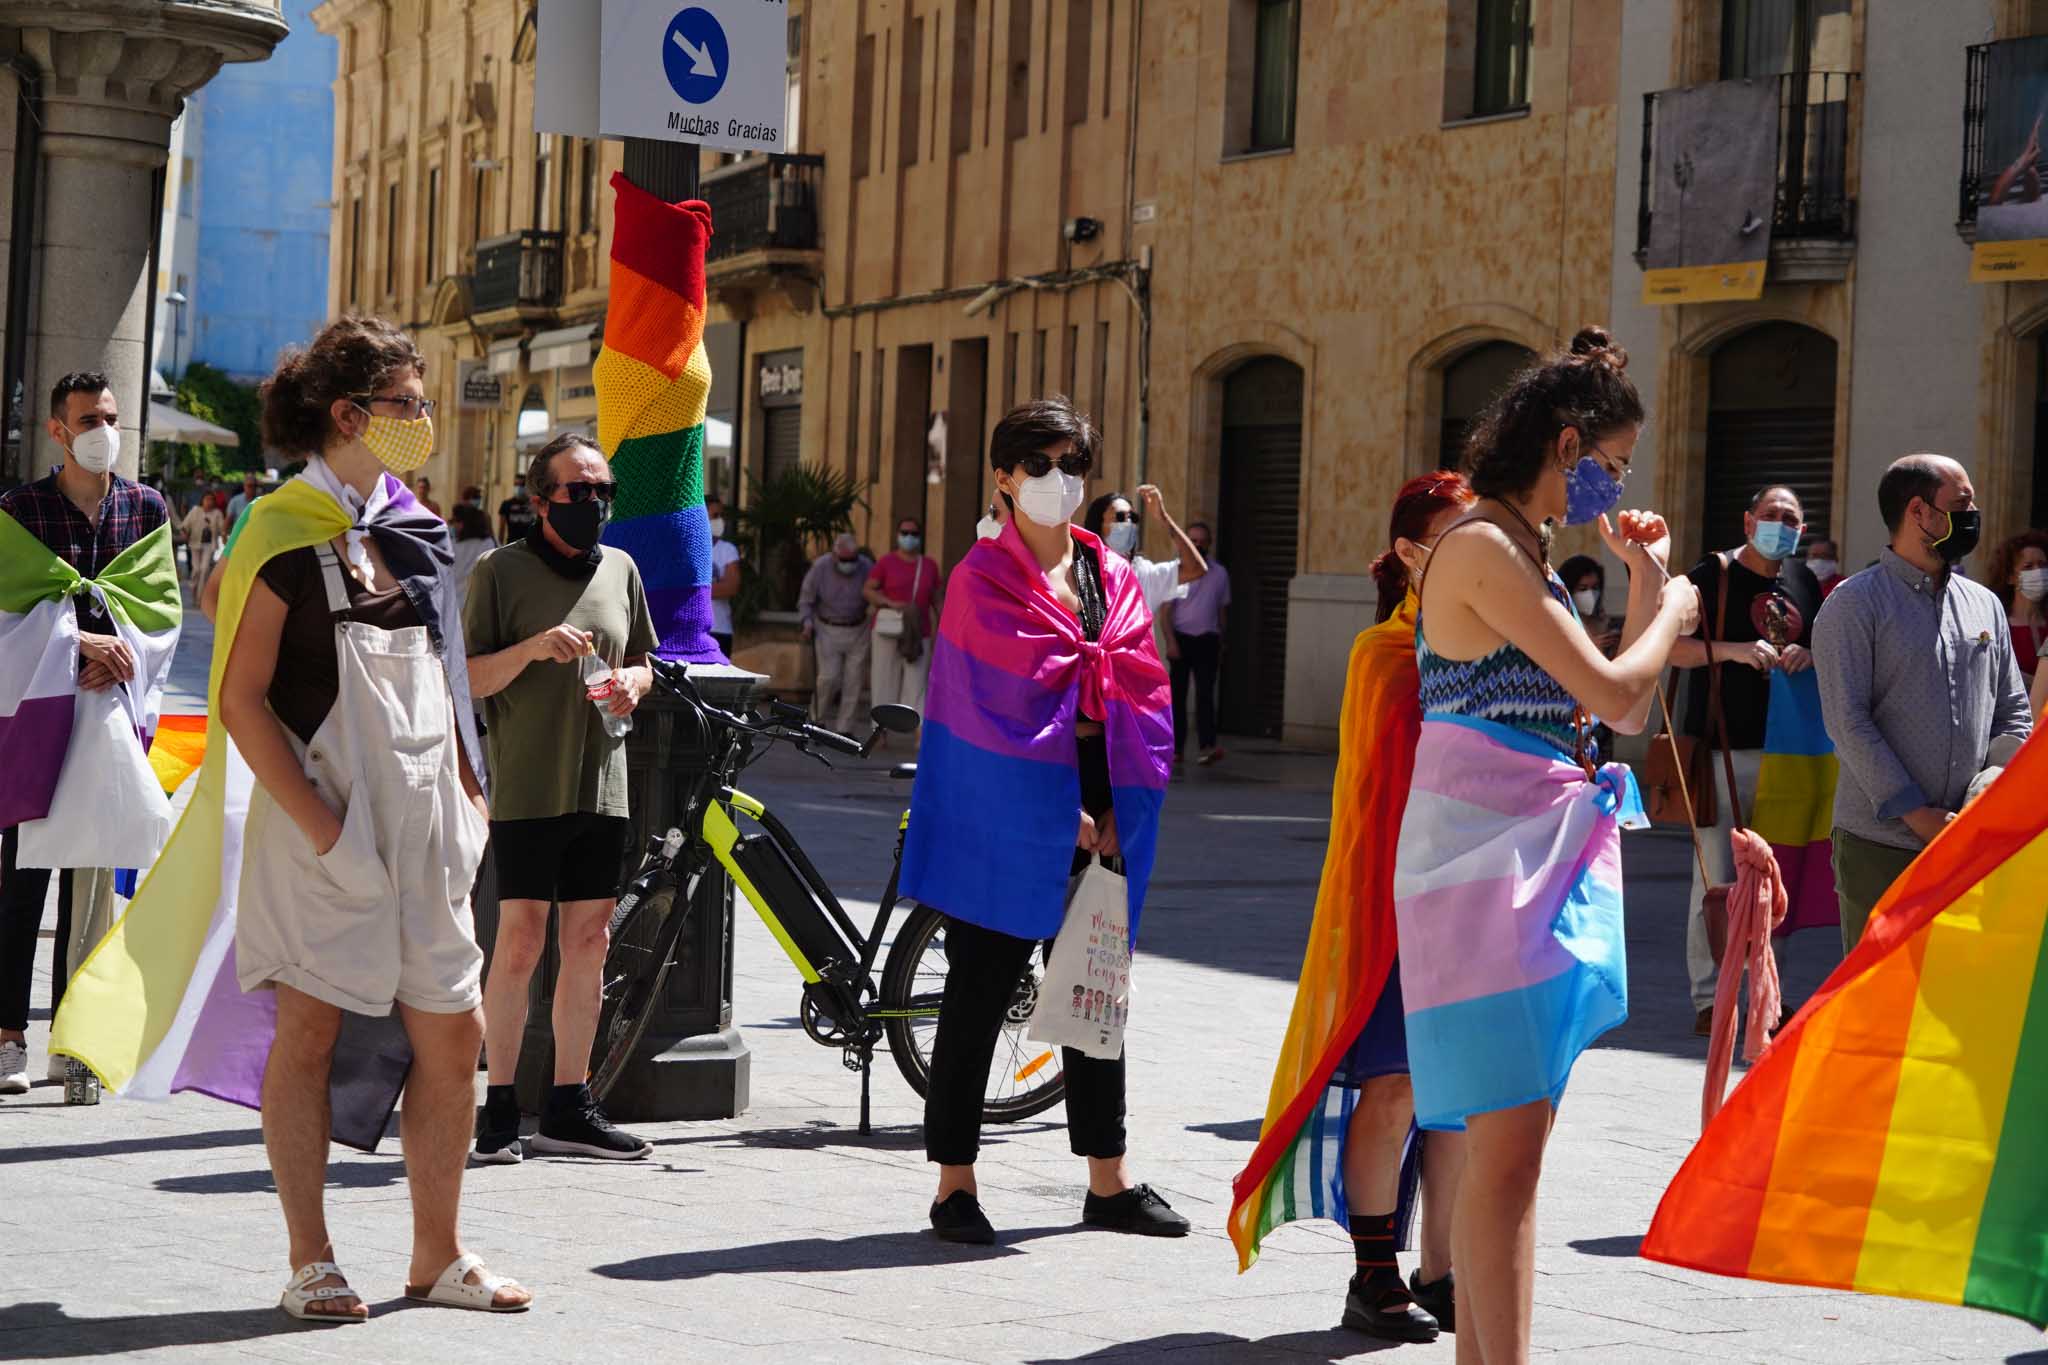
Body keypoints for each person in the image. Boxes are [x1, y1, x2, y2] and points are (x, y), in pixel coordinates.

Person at [57, 317, 528, 1317]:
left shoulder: (418, 528)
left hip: (429, 828)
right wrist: (324, 831)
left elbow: (449, 678)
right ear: (349, 415)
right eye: (408, 403)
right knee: (308, 1035)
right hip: (322, 828)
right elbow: (239, 700)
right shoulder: (277, 528)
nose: (425, 420)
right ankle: (310, 1258)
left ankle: (437, 1255)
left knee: (457, 1034)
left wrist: (470, 800)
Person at [1397, 327, 1699, 1362]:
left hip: (1508, 866)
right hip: (1485, 874)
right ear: (1566, 445)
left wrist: (1644, 580)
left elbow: (1619, 704)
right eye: (1612, 462)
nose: (1616, 484)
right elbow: (1615, 694)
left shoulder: (1519, 550)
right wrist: (1675, 607)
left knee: (1509, 1158)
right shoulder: (1485, 546)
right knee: (1509, 1161)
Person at [902, 397, 1188, 1245]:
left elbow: (1143, 687)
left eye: (1074, 466)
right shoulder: (980, 580)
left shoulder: (1108, 572)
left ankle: (1109, 1179)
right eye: (1041, 464)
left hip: (1106, 786)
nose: (1060, 480)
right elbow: (981, 712)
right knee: (981, 988)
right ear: (1003, 476)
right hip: (1008, 798)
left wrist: (1116, 802)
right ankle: (955, 1184)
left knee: (1096, 983)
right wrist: (1054, 810)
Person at [1230, 472, 1475, 1343]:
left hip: (1477, 903)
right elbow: (1381, 795)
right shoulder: (1383, 653)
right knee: (1396, 1087)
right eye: (1457, 536)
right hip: (1400, 909)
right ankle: (1373, 1276)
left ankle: (1441, 1271)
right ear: (1410, 553)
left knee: (1461, 1098)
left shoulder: (1498, 643)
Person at [465, 432, 659, 1165]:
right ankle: (499, 1105)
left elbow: (642, 662)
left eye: (604, 490)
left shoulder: (622, 568)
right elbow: (469, 678)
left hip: (602, 781)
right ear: (541, 499)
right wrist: (530, 649)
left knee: (590, 940)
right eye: (580, 489)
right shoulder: (498, 571)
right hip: (527, 782)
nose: (595, 502)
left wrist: (632, 683)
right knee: (520, 941)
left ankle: (569, 1106)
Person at [0, 370, 173, 1094]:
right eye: (89, 419)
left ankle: (77, 1046)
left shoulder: (146, 507)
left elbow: (158, 611)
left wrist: (117, 652)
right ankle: (8, 1037)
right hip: (42, 715)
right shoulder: (20, 512)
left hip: (110, 714)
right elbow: (8, 618)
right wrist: (78, 646)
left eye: (111, 416)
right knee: (23, 875)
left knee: (95, 883)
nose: (104, 430)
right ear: (57, 431)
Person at [1812, 455, 2033, 955]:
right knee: (1881, 995)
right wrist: (1916, 813)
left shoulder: (1985, 605)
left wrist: (1985, 793)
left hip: (1970, 844)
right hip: (1881, 847)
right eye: (1962, 504)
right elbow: (1847, 722)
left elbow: (2013, 712)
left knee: (1957, 990)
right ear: (1918, 512)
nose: (1973, 515)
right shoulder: (1853, 605)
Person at [1665, 485, 1823, 1035]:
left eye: (1791, 518)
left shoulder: (1803, 581)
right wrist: (1731, 652)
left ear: (1802, 531)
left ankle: (1765, 996)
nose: (1781, 524)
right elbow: (1667, 646)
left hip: (1788, 755)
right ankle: (1711, 999)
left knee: (1775, 881)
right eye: (1771, 514)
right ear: (1749, 521)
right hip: (1721, 752)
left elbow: (1824, 647)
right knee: (1716, 877)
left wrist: (1809, 653)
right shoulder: (1712, 575)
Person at [865, 514, 944, 725]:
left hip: (918, 631)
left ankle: (918, 732)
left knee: (917, 683)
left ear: (920, 537)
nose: (909, 537)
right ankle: (880, 731)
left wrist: (942, 631)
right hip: (887, 630)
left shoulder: (929, 565)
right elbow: (868, 590)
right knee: (883, 681)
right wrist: (889, 602)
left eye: (914, 533)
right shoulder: (886, 562)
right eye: (905, 533)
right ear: (897, 535)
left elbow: (937, 601)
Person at [1083, 484, 1207, 615]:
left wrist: (1164, 517)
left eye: (1132, 518)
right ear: (1098, 524)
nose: (1128, 523)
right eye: (1120, 517)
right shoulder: (1081, 570)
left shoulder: (1143, 573)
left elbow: (1196, 569)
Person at [798, 533, 873, 738]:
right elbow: (806, 599)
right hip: (827, 627)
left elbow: (874, 591)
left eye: (852, 559)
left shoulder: (866, 566)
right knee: (828, 677)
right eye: (844, 559)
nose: (849, 564)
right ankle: (816, 720)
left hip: (858, 627)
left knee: (854, 680)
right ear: (834, 555)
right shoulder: (821, 567)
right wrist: (806, 622)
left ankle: (845, 729)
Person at [1167, 523, 1230, 766]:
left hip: (1208, 640)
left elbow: (1222, 611)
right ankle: (1176, 749)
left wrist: (1222, 641)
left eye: (1202, 541)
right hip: (1181, 638)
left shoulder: (1220, 574)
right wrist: (1171, 641)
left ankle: (1207, 746)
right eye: (1193, 540)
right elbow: (1165, 613)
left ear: (1209, 544)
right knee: (1177, 696)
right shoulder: (1174, 572)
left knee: (1205, 695)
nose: (1197, 545)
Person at [1986, 530, 2048, 688]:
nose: (2038, 571)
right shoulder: (1998, 625)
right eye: (2028, 567)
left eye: (2043, 565)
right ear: (2010, 577)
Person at [705, 493, 742, 657]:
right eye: (715, 515)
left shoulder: (728, 550)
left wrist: (694, 590)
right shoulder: (686, 548)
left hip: (721, 630)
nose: (720, 520)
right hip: (693, 630)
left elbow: (731, 587)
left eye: (721, 516)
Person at [449, 502, 497, 615]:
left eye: (455, 521)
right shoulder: (487, 543)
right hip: (478, 606)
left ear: (462, 523)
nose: (453, 525)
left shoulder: (452, 545)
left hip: (455, 606)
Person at [181, 491, 225, 598]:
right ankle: (193, 588)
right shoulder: (195, 510)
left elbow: (222, 528)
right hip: (195, 543)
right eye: (207, 499)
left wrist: (224, 535)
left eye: (211, 499)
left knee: (204, 569)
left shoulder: (217, 513)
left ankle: (200, 597)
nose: (209, 502)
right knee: (196, 569)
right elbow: (185, 525)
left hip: (209, 545)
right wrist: (185, 533)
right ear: (202, 500)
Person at [498, 471, 537, 546]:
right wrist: (500, 545)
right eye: (516, 484)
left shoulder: (534, 504)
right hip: (512, 544)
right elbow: (501, 528)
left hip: (530, 545)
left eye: (522, 485)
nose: (518, 487)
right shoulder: (507, 504)